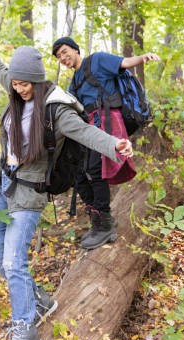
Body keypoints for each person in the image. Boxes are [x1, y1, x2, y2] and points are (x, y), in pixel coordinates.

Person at [0, 16, 134, 340]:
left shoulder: (55, 109)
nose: (21, 89)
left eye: (27, 84)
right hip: (2, 188)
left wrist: (116, 145)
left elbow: (86, 132)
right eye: (16, 83)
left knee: (14, 261)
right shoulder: (12, 85)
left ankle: (25, 330)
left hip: (29, 195)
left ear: (38, 82)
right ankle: (39, 300)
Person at [52, 37, 159, 250]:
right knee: (80, 174)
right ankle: (99, 221)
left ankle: (104, 225)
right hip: (89, 128)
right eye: (59, 56)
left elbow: (124, 62)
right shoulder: (73, 83)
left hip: (108, 120)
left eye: (65, 52)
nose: (63, 58)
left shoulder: (97, 60)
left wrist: (143, 58)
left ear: (74, 49)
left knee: (95, 169)